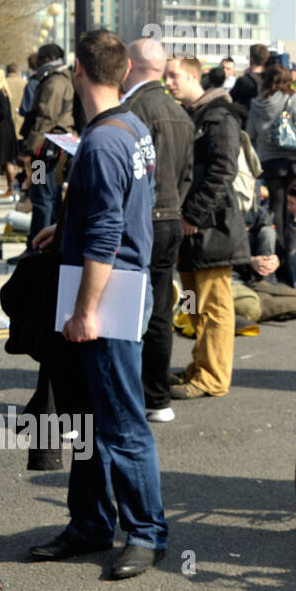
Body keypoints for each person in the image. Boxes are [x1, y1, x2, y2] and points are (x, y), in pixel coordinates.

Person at [27, 28, 168, 580]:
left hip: (109, 295)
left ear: (78, 73)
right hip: (122, 285)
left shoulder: (107, 139)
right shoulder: (130, 128)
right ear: (125, 71)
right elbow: (122, 208)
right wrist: (67, 224)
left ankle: (147, 532)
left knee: (122, 423)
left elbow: (111, 228)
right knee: (91, 420)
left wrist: (86, 310)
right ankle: (89, 524)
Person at [163, 56, 249, 400]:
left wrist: (193, 216)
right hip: (196, 229)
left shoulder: (219, 116)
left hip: (212, 228)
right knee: (193, 304)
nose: (168, 82)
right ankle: (199, 366)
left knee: (213, 307)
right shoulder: (196, 115)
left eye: (174, 75)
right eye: (166, 75)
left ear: (193, 76)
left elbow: (223, 171)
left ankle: (212, 376)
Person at [122, 38, 195, 423]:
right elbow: (187, 174)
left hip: (140, 220)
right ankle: (157, 396)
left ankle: (127, 394)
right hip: (169, 219)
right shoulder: (180, 114)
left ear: (130, 67)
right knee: (161, 310)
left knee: (125, 308)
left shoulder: (131, 110)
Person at [246, 64, 296, 245]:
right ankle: (291, 245)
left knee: (276, 203)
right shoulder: (292, 99)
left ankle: (278, 245)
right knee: (292, 202)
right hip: (292, 157)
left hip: (268, 158)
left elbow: (250, 133)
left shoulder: (257, 103)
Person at [20, 43, 74, 246]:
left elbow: (45, 118)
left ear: (50, 59)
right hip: (49, 148)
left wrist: (29, 149)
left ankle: (37, 245)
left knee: (41, 193)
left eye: (41, 59)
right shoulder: (56, 80)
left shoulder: (55, 83)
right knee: (47, 194)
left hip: (45, 150)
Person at [0, 68, 17, 195]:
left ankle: (11, 187)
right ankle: (11, 187)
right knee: (6, 160)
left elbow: (2, 112)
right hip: (4, 130)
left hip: (0, 132)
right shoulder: (3, 91)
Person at [229, 43, 268, 110]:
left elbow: (230, 99)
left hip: (248, 118)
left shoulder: (243, 80)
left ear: (251, 59)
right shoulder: (271, 78)